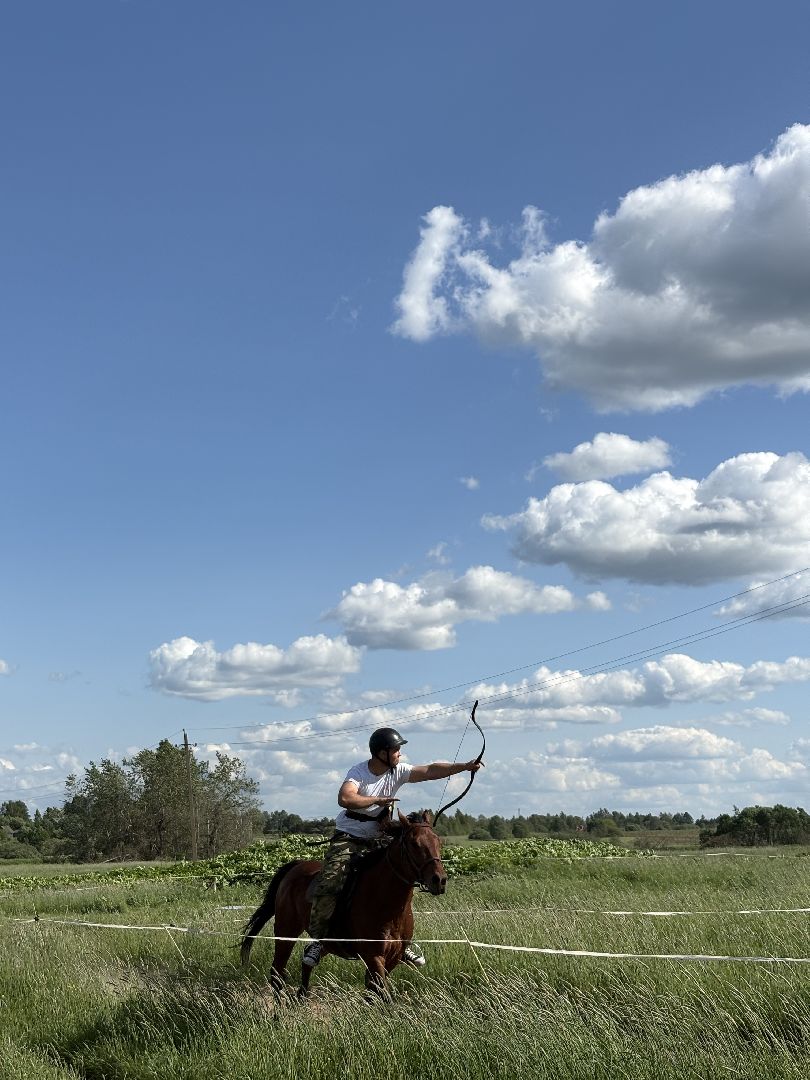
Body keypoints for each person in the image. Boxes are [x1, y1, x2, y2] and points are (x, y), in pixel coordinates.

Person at [303, 726, 483, 968]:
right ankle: (319, 939)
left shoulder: (398, 771)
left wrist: (464, 766)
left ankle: (400, 944)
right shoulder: (358, 773)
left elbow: (429, 770)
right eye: (396, 750)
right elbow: (345, 798)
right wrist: (376, 800)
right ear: (382, 753)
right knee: (331, 880)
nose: (400, 753)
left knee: (402, 877)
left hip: (380, 838)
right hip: (350, 837)